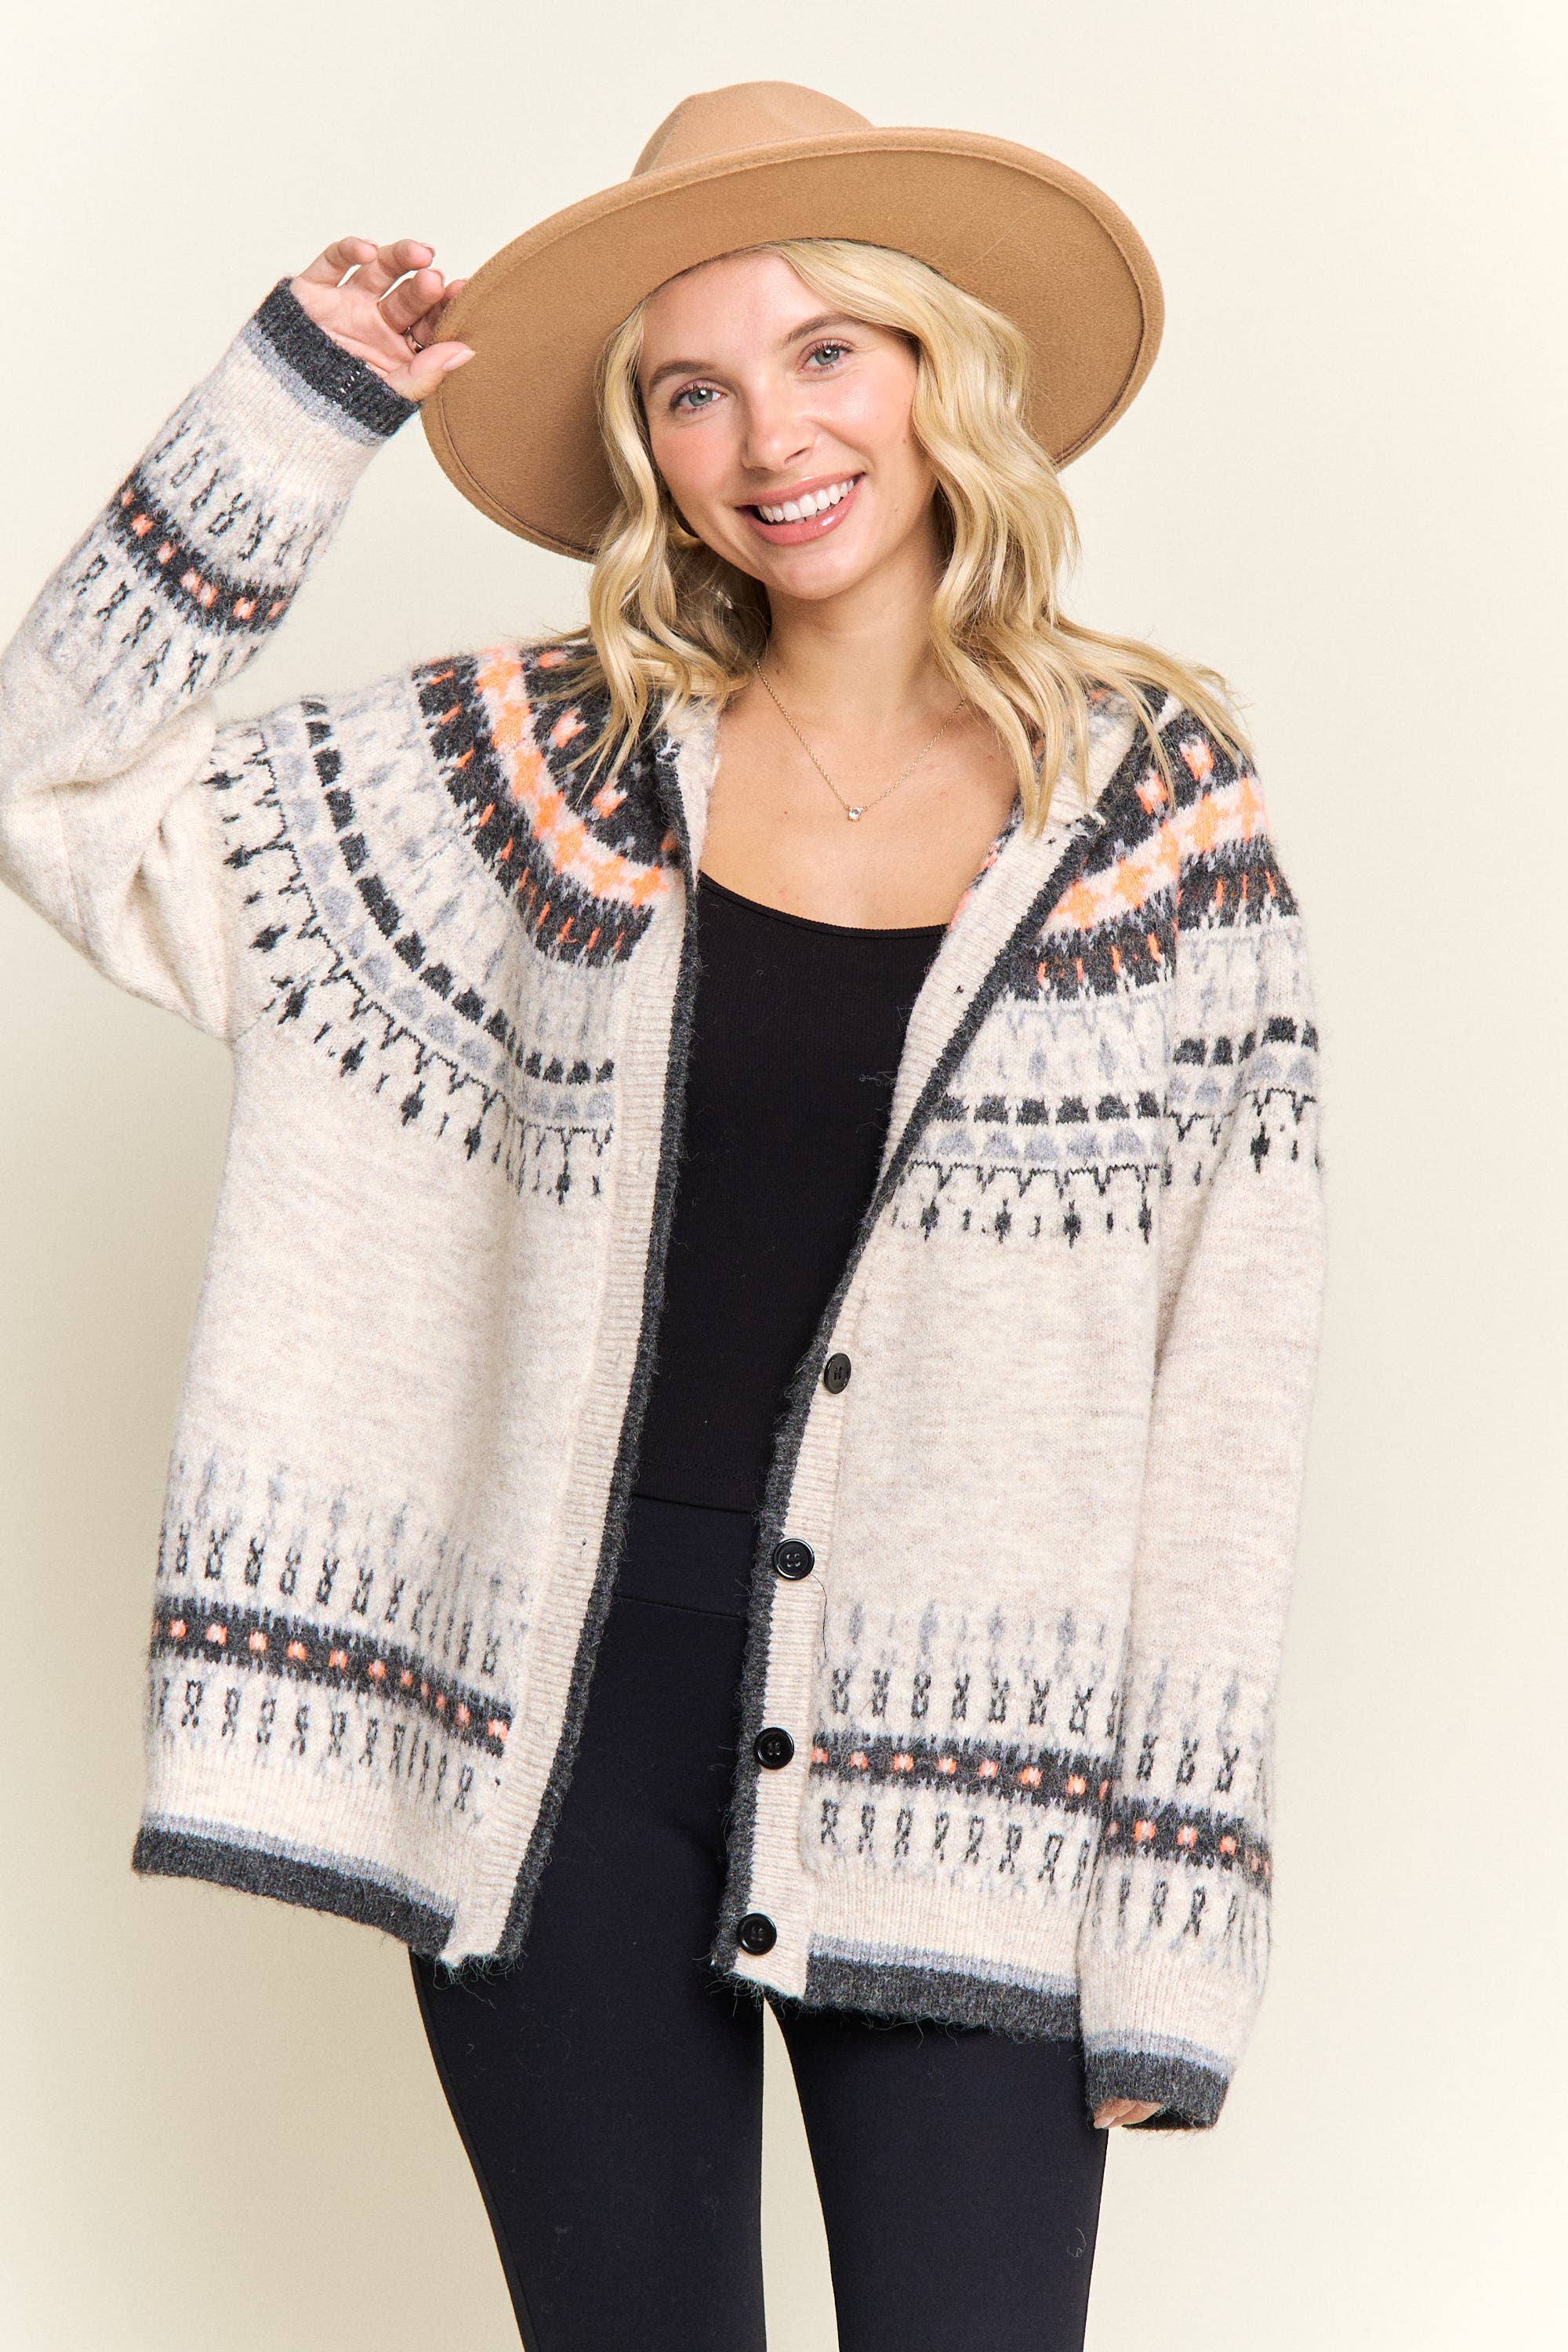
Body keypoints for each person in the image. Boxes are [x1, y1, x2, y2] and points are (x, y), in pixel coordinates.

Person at [0, 80, 1328, 2352]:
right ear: (646, 448)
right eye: (691, 389)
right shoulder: (514, 787)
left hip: (977, 1762)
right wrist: (288, 413)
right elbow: (54, 784)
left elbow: (1235, 1385)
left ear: (937, 372)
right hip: (556, 1745)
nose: (768, 437)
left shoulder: (1158, 830)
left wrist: (1175, 1921)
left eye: (825, 352)